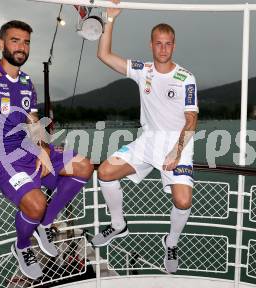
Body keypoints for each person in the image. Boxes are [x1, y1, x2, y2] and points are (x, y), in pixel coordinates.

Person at [0, 20, 94, 280]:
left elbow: (33, 123)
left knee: (83, 165)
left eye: (26, 42)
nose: (21, 47)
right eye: (15, 40)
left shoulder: (27, 81)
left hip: (25, 150)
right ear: (1, 43)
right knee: (35, 204)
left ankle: (46, 223)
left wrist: (42, 148)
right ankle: (22, 245)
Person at [90, 0, 198, 274]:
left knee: (183, 201)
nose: (163, 48)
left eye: (168, 43)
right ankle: (118, 225)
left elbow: (191, 120)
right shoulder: (143, 69)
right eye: (158, 43)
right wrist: (111, 19)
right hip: (148, 140)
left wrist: (176, 151)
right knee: (105, 172)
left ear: (174, 45)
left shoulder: (186, 77)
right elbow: (104, 55)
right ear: (151, 44)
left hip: (178, 144)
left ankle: (171, 242)